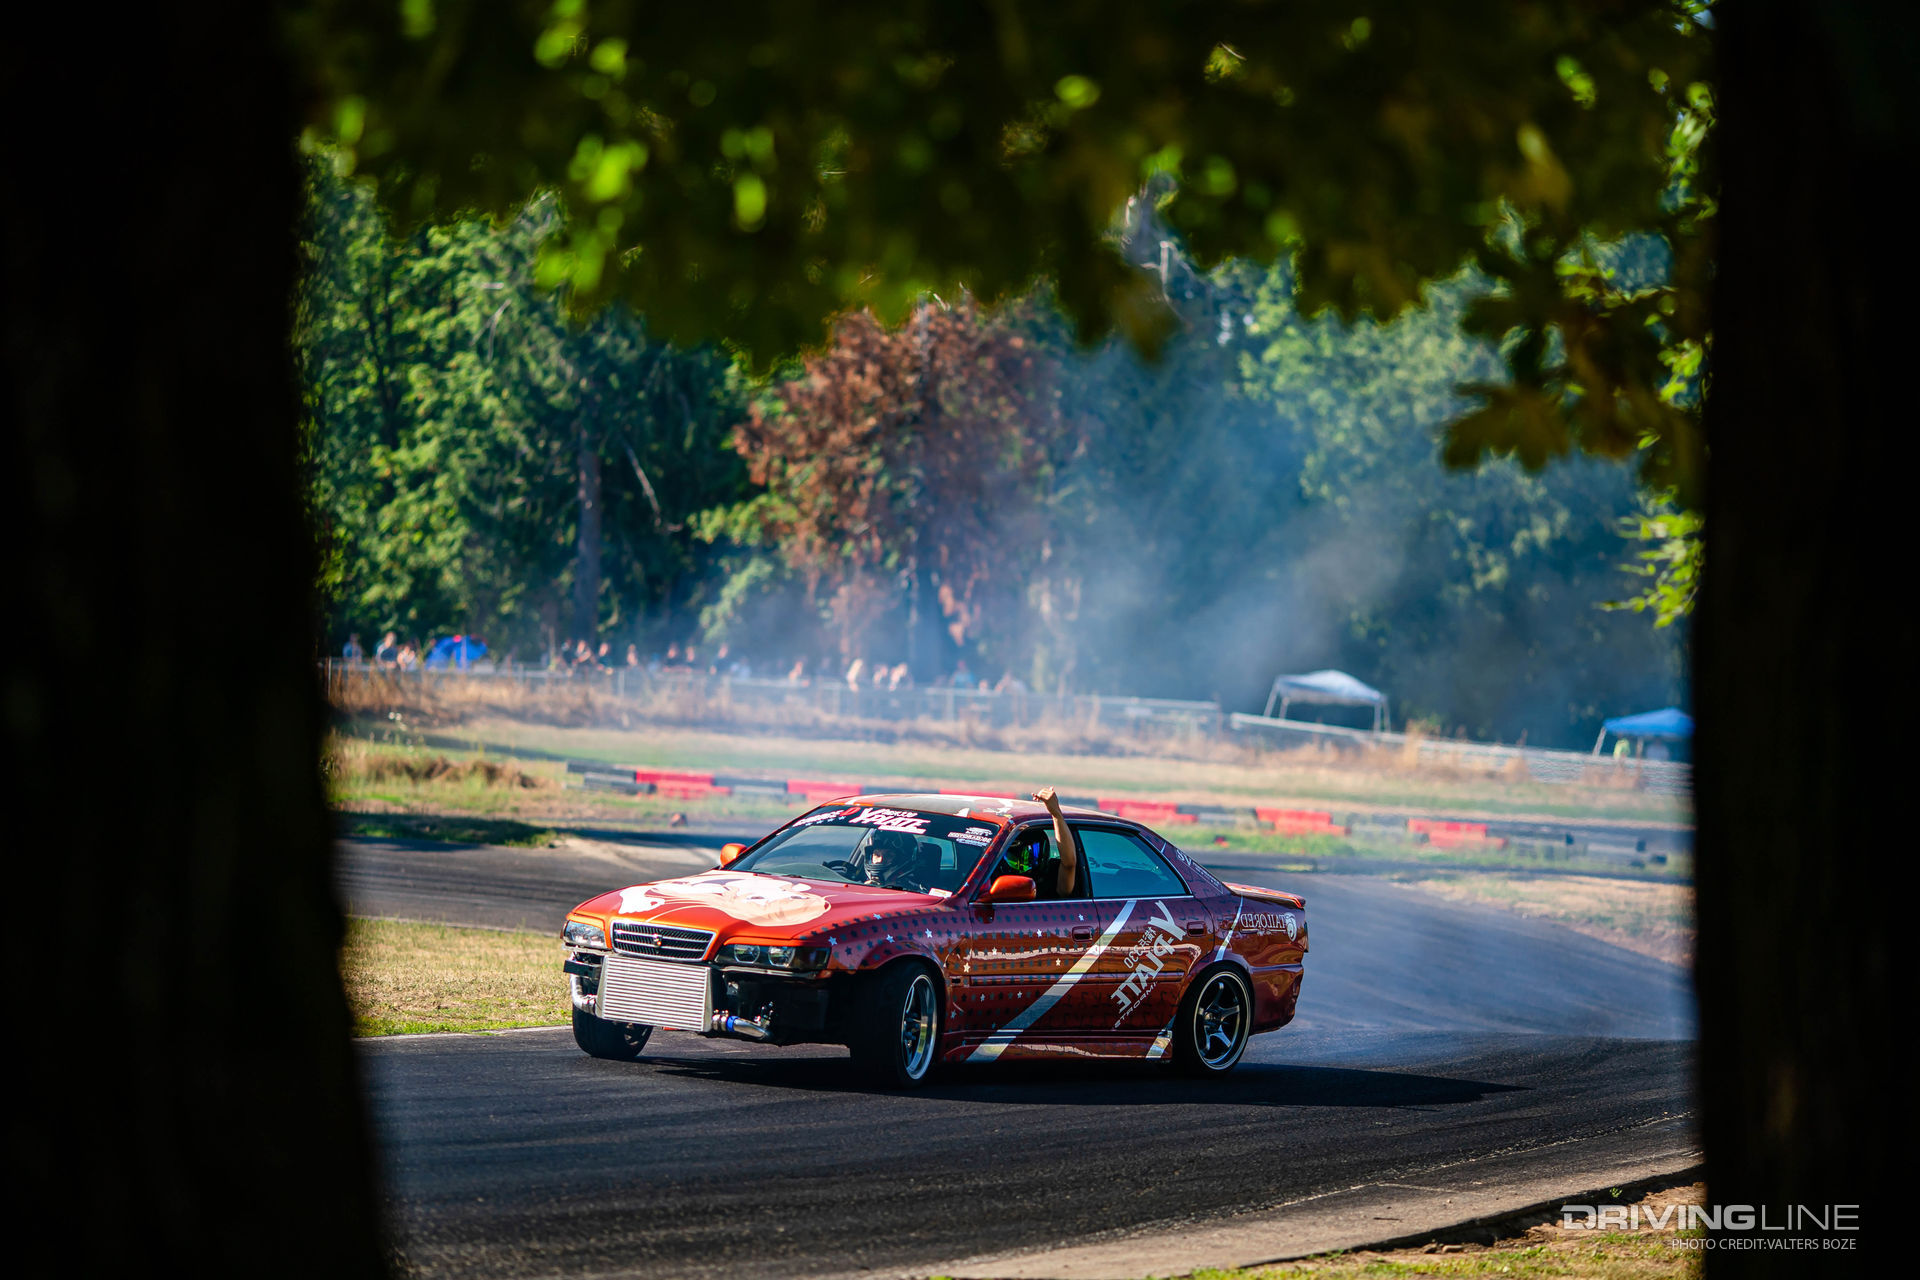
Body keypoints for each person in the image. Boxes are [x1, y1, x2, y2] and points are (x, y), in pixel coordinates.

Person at [993, 787, 1080, 898]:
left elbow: (1069, 864)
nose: (1022, 864)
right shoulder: (991, 876)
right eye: (1014, 858)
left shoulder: (1049, 882)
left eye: (1032, 853)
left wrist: (1056, 814)